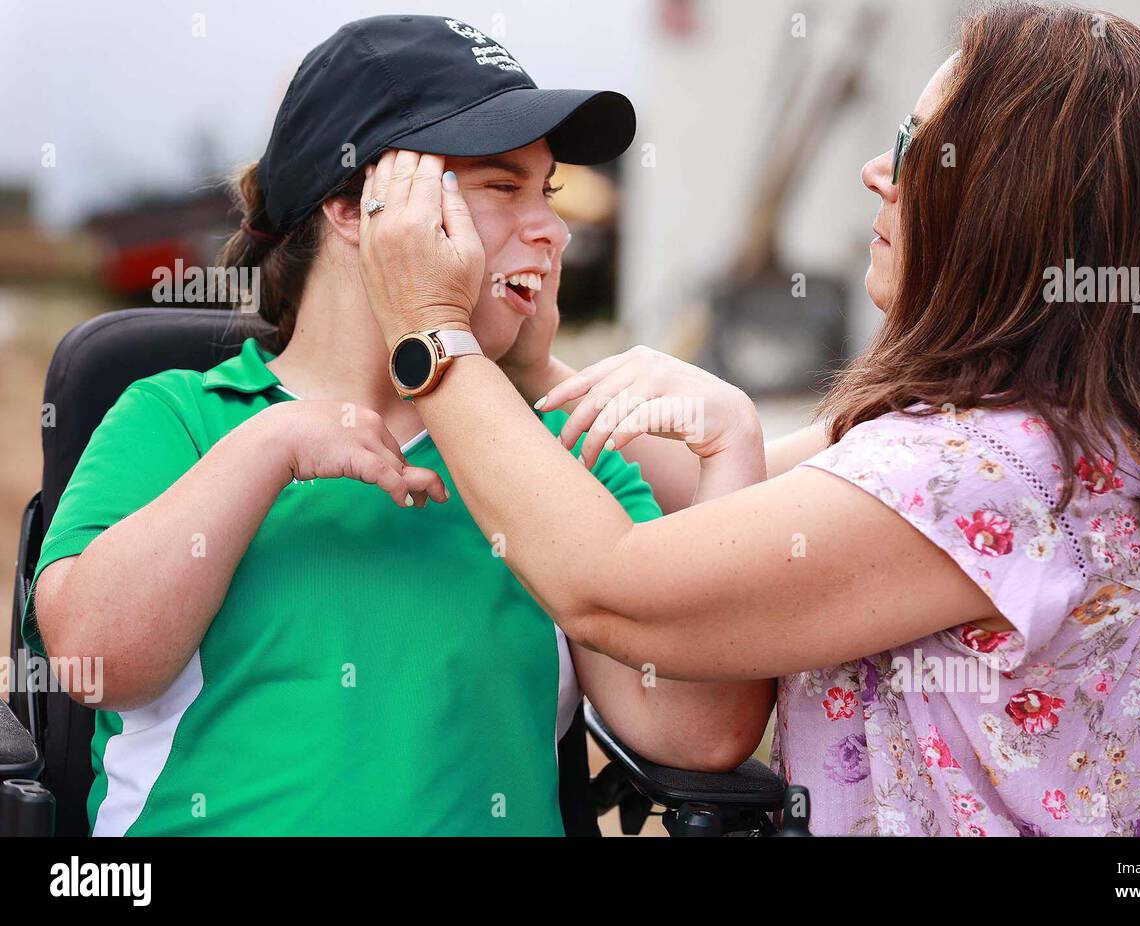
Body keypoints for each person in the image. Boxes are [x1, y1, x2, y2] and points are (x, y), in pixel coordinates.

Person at [356, 2, 1140, 836]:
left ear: (1012, 204)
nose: (880, 172)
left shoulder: (982, 470)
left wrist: (431, 337)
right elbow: (732, 503)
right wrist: (532, 364)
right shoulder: (1052, 428)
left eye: (918, 148)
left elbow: (610, 587)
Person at [25, 15, 772, 836]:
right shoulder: (180, 418)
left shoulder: (560, 459)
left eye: (548, 192)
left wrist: (729, 453)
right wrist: (268, 449)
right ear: (354, 205)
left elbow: (701, 734)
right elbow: (95, 660)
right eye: (501, 186)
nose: (554, 231)